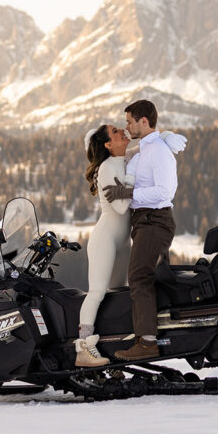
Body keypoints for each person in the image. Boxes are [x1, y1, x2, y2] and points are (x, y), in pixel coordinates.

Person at [75, 120, 186, 368]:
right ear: (107, 144)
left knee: (118, 296)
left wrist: (165, 136)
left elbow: (144, 150)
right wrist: (133, 177)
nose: (122, 131)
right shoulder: (107, 167)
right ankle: (84, 347)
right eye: (115, 132)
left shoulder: (121, 160)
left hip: (122, 241)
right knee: (97, 292)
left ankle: (109, 348)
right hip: (106, 239)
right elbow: (122, 206)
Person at [103, 99, 177, 362]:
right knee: (148, 277)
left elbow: (164, 192)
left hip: (155, 221)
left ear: (143, 121)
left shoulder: (157, 151)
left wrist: (128, 193)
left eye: (130, 121)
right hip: (145, 222)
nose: (127, 126)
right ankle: (160, 333)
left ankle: (146, 343)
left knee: (138, 277)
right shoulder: (144, 149)